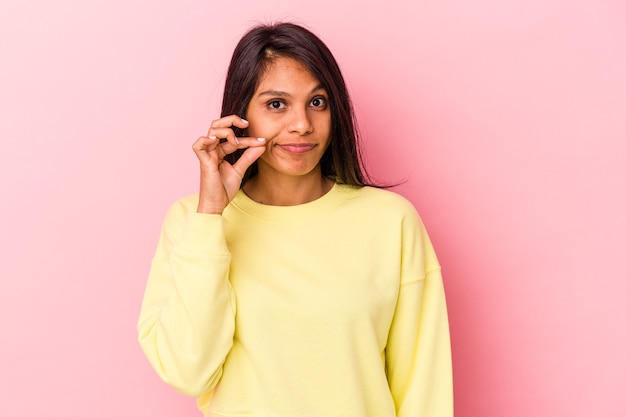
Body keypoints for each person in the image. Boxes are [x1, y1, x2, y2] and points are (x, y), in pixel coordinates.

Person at [137, 22, 453, 417]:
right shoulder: (193, 221)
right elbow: (188, 371)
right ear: (240, 116)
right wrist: (210, 217)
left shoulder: (391, 222)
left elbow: (424, 388)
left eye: (317, 102)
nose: (302, 124)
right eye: (276, 104)